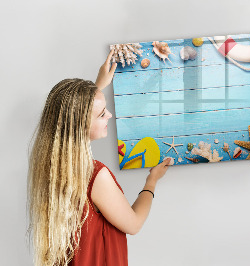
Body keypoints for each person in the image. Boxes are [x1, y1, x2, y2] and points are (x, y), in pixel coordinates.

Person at [27, 50, 171, 266]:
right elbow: (134, 224)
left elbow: (74, 114)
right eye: (102, 113)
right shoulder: (95, 176)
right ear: (82, 124)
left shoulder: (50, 165)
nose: (110, 116)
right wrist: (152, 181)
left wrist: (97, 86)